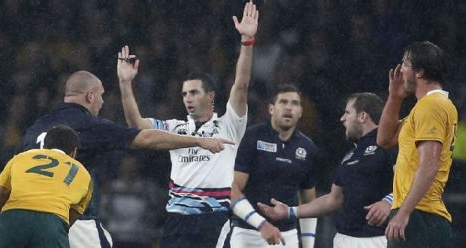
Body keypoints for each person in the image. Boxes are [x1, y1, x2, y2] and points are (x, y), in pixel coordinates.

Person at [15, 70, 232, 248]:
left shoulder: (36, 127)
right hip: (69, 218)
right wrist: (197, 141)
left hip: (21, 217)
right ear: (90, 96)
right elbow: (146, 138)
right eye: (100, 96)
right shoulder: (90, 125)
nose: (101, 102)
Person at [116, 2, 258, 247]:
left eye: (194, 92)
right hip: (176, 220)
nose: (188, 98)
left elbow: (241, 84)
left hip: (214, 219)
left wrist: (247, 40)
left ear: (210, 96)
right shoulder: (175, 128)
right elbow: (136, 125)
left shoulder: (229, 125)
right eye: (184, 94)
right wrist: (125, 83)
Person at [258, 92, 397, 248]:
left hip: (378, 239)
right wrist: (290, 212)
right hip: (343, 239)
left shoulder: (390, 145)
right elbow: (333, 199)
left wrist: (389, 201)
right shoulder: (350, 156)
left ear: (362, 116)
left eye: (347, 113)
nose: (342, 119)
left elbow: (417, 178)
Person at [376, 41, 457, 248]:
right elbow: (384, 139)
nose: (400, 69)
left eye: (405, 64)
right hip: (420, 214)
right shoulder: (425, 107)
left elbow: (429, 164)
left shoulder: (432, 106)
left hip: (420, 216)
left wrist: (404, 213)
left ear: (419, 72)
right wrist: (395, 97)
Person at [229, 84, 318, 248]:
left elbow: (308, 203)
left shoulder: (308, 148)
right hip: (247, 233)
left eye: (295, 103)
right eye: (283, 102)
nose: (289, 108)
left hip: (287, 237)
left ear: (300, 113)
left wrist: (308, 245)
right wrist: (262, 224)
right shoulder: (252, 137)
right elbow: (232, 190)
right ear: (271, 109)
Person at [0, 125, 92, 248]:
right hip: (51, 225)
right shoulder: (84, 174)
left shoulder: (20, 158)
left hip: (14, 220)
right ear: (73, 152)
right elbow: (72, 216)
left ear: (44, 145)